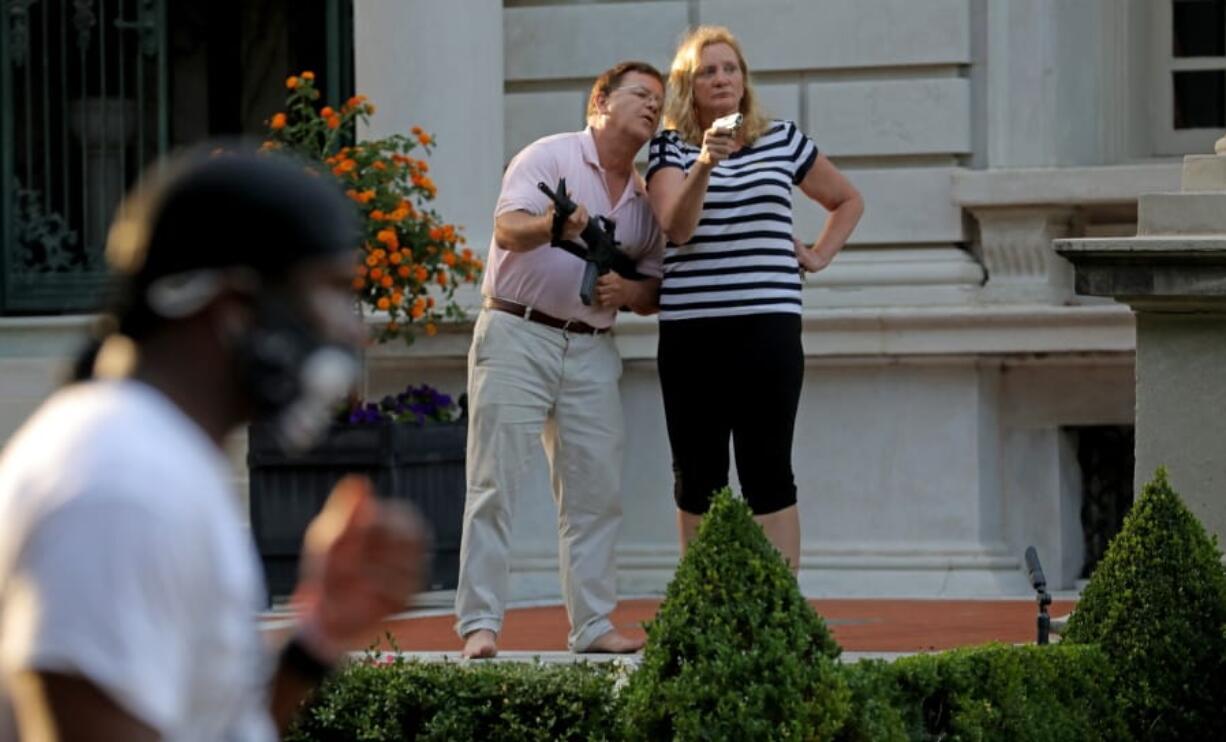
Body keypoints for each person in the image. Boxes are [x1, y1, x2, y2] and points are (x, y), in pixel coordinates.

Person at [0, 148, 428, 740]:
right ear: (233, 310)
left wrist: (316, 637)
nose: (354, 329)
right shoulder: (121, 484)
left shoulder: (149, 457)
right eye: (329, 291)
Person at [456, 61, 666, 659]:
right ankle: (480, 625)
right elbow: (505, 229)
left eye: (660, 100)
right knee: (493, 484)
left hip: (593, 347)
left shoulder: (646, 201)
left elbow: (653, 287)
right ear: (599, 101)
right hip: (518, 332)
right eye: (640, 94)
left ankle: (594, 625)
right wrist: (555, 223)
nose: (653, 106)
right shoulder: (548, 158)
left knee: (595, 493)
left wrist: (628, 294)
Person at [645, 26, 864, 573]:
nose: (721, 79)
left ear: (744, 81)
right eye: (707, 72)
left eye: (730, 69)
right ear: (688, 87)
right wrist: (704, 164)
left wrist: (818, 254)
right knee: (698, 475)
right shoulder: (670, 149)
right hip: (693, 333)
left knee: (769, 470)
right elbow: (677, 229)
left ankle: (779, 612)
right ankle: (704, 605)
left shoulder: (782, 138)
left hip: (768, 328)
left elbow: (847, 200)